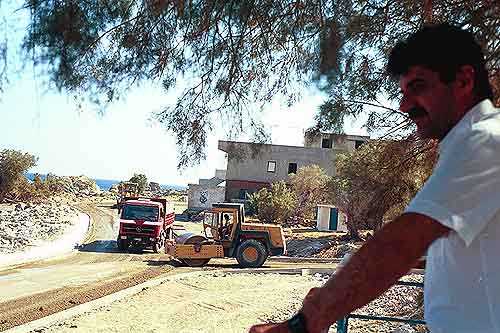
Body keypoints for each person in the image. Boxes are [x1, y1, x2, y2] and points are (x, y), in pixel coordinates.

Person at [250, 23, 498, 333]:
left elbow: (401, 243)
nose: (404, 106)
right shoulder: (475, 143)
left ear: (463, 80)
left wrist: (303, 324)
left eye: (418, 87)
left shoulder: (485, 141)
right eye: (403, 92)